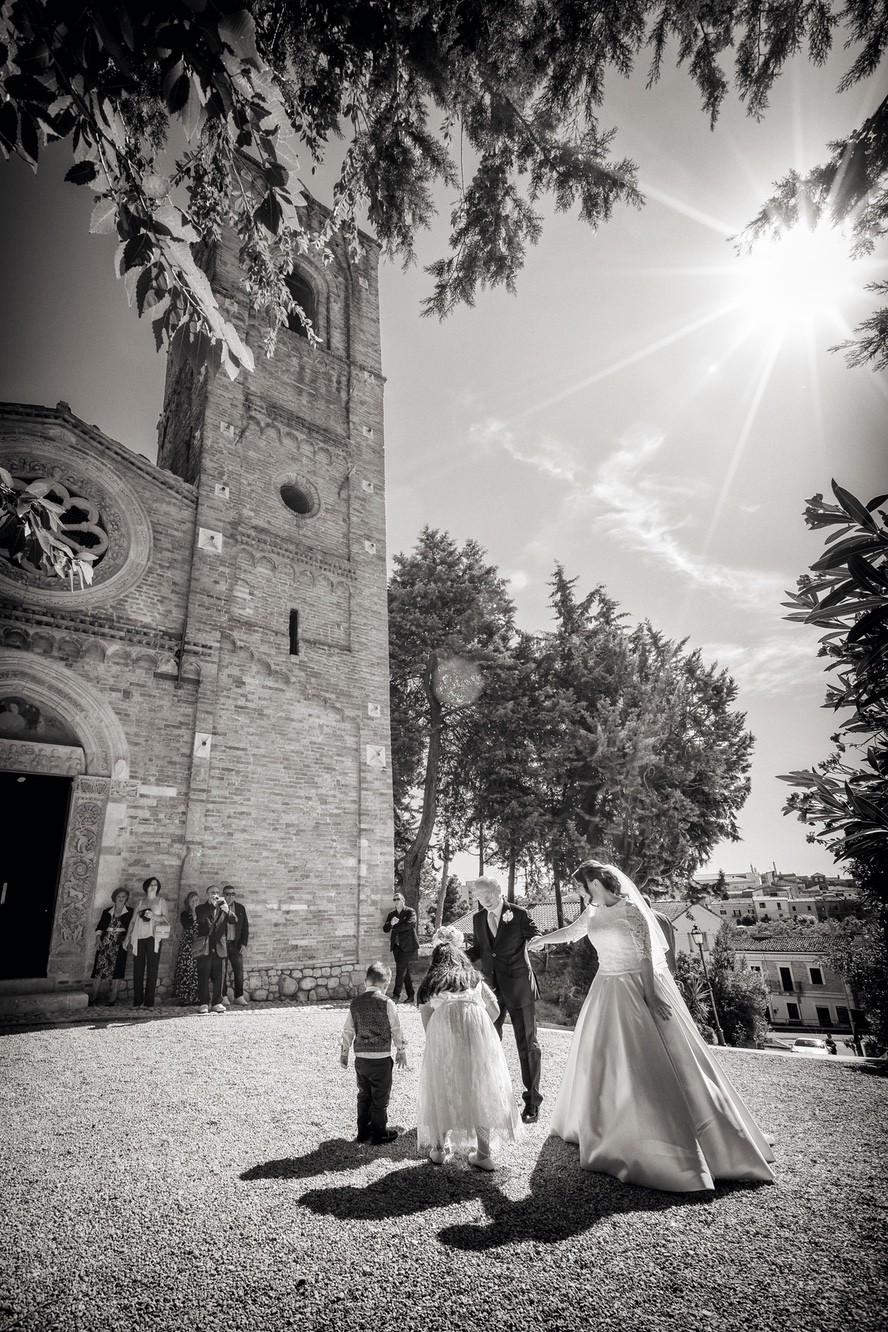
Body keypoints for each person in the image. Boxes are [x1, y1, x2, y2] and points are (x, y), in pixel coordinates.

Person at [529, 860, 776, 1193]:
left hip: (634, 987)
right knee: (603, 1060)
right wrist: (541, 940)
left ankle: (668, 1142)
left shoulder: (632, 911)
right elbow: (573, 932)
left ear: (594, 884)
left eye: (580, 887)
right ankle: (604, 1128)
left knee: (648, 1061)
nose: (578, 893)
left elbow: (646, 956)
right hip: (605, 989)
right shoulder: (593, 911)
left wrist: (650, 995)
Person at [416, 934, 521, 1171]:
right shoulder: (474, 979)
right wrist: (478, 1027)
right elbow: (495, 1010)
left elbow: (427, 1024)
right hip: (476, 1038)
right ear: (460, 958)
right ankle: (484, 1154)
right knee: (480, 1088)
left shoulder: (430, 984)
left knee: (443, 1087)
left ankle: (439, 1149)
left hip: (444, 1038)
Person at [467, 875, 543, 1123]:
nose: (484, 900)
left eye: (488, 895)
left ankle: (532, 1102)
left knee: (527, 1045)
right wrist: (454, 956)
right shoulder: (478, 918)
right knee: (489, 1041)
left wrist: (538, 942)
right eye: (479, 897)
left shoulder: (518, 913)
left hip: (519, 988)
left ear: (498, 890)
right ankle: (493, 1096)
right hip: (492, 992)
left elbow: (535, 935)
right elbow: (479, 950)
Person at [340, 961, 407, 1145]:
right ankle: (379, 1132)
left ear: (365, 982)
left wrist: (344, 1052)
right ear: (386, 984)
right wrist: (401, 1050)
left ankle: (363, 1131)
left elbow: (348, 1029)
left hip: (361, 1059)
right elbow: (396, 1029)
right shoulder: (387, 1003)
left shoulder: (355, 1003)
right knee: (380, 1097)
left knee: (363, 1095)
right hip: (381, 1058)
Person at [123, 876, 170, 1009]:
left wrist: (153, 916)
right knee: (138, 969)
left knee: (152, 969)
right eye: (151, 884)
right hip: (138, 938)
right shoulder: (140, 902)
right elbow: (133, 921)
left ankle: (149, 1003)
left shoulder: (161, 901)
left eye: (155, 884)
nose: (153, 886)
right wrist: (127, 938)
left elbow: (166, 919)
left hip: (153, 938)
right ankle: (137, 1001)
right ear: (146, 886)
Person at [193, 885, 235, 1015]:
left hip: (220, 947)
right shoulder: (201, 908)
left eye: (217, 892)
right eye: (212, 892)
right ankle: (204, 1003)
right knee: (203, 975)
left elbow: (234, 920)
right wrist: (212, 905)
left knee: (219, 977)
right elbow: (201, 918)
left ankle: (217, 1003)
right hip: (205, 946)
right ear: (207, 894)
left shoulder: (223, 907)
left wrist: (227, 910)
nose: (215, 895)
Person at [90, 888, 133, 1005]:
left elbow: (133, 927)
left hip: (120, 943)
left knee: (117, 971)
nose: (121, 898)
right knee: (99, 969)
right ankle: (94, 996)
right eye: (119, 896)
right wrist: (98, 939)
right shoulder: (107, 911)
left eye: (123, 896)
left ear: (126, 898)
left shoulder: (130, 912)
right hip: (105, 942)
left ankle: (113, 998)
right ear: (114, 897)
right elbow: (99, 927)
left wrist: (127, 939)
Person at [382, 892, 419, 1002]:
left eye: (398, 899)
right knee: (403, 970)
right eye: (394, 899)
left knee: (400, 969)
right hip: (396, 946)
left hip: (408, 946)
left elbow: (409, 924)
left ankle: (396, 996)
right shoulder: (391, 914)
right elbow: (385, 929)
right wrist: (391, 924)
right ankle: (411, 995)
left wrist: (395, 926)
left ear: (403, 900)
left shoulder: (410, 912)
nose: (396, 901)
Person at [222, 885, 249, 1005]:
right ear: (223, 895)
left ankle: (239, 996)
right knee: (222, 971)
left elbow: (245, 927)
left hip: (236, 944)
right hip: (222, 944)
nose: (230, 896)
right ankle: (223, 996)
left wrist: (244, 944)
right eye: (227, 894)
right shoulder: (219, 908)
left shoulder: (240, 908)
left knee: (239, 971)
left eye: (232, 894)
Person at [172, 891, 200, 1006]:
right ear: (188, 902)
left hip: (199, 944)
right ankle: (184, 998)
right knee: (185, 969)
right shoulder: (184, 914)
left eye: (196, 900)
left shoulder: (203, 913)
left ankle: (196, 997)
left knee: (197, 970)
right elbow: (187, 926)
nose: (194, 902)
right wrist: (194, 913)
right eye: (192, 900)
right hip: (187, 944)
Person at [642, 891, 677, 975]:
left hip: (655, 964)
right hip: (668, 962)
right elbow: (672, 941)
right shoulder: (665, 918)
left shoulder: (644, 917)